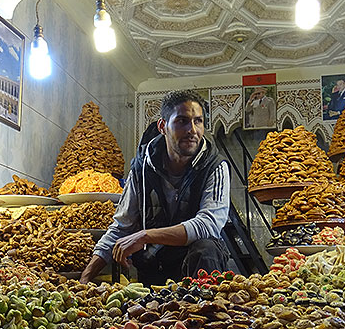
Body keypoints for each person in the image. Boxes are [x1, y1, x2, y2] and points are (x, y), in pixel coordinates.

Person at [79, 90, 231, 285]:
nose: (192, 130)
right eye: (182, 121)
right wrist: (84, 279)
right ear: (163, 126)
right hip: (156, 267)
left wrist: (145, 235)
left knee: (206, 248)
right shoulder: (141, 168)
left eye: (198, 121)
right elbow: (121, 227)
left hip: (197, 272)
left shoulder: (215, 166)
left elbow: (208, 225)